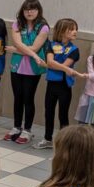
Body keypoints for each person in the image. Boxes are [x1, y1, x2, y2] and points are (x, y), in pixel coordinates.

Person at [5, 0, 49, 145]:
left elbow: (35, 47)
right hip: (16, 67)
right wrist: (27, 52)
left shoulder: (43, 27)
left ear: (38, 11)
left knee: (28, 98)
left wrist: (16, 50)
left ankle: (27, 130)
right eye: (26, 9)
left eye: (33, 9)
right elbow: (18, 42)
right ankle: (17, 127)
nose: (29, 12)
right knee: (17, 97)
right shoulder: (17, 24)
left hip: (33, 69)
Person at [37, 18, 81, 149]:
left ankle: (65, 142)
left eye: (76, 29)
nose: (75, 32)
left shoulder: (74, 50)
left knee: (63, 114)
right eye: (71, 29)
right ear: (62, 31)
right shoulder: (51, 45)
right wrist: (64, 68)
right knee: (48, 112)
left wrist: (60, 66)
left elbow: (58, 64)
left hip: (64, 86)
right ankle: (47, 139)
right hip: (51, 84)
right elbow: (50, 63)